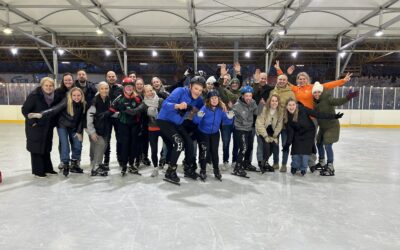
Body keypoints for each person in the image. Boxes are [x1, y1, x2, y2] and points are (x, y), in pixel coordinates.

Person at [28, 87, 86, 177]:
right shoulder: (66, 101)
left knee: (78, 144)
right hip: (62, 126)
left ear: (82, 95)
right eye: (74, 95)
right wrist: (41, 114)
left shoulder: (83, 104)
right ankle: (65, 163)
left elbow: (81, 120)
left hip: (74, 127)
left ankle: (74, 163)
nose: (76, 97)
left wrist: (79, 132)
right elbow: (55, 109)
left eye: (78, 95)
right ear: (71, 96)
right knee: (65, 145)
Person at [157, 76, 205, 184]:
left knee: (189, 142)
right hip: (165, 120)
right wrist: (177, 105)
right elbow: (164, 104)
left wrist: (221, 105)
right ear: (190, 86)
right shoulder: (179, 91)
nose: (198, 92)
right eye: (196, 88)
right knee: (179, 143)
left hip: (178, 123)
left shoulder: (198, 99)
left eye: (200, 90)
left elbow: (205, 106)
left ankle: (188, 168)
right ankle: (170, 171)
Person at [283, 98, 343, 176]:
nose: (291, 107)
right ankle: (295, 166)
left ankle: (303, 168)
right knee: (295, 152)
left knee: (305, 154)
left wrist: (334, 116)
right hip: (297, 133)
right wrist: (287, 145)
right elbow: (290, 133)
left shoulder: (303, 109)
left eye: (293, 105)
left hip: (309, 133)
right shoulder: (287, 117)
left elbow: (317, 114)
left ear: (296, 105)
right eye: (289, 105)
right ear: (286, 106)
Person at [311, 82, 359, 176]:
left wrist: (348, 97)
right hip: (323, 127)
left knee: (328, 145)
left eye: (318, 92)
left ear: (322, 92)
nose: (317, 94)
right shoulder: (314, 102)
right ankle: (322, 162)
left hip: (332, 126)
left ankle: (330, 166)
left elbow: (338, 101)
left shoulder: (328, 99)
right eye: (315, 92)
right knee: (319, 143)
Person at [193, 90, 234, 181]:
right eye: (212, 98)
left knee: (215, 152)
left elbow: (227, 121)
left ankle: (216, 169)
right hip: (203, 133)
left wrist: (230, 113)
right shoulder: (204, 108)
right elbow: (195, 121)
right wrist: (199, 115)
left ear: (218, 99)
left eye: (216, 98)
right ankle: (203, 170)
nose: (214, 100)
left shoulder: (220, 109)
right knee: (204, 151)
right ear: (209, 100)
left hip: (215, 133)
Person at [109, 77, 147, 176]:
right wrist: (102, 115)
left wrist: (134, 111)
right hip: (123, 125)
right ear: (124, 88)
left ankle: (131, 164)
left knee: (133, 145)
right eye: (127, 87)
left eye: (130, 86)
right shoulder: (119, 98)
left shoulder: (138, 97)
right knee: (125, 144)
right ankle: (124, 164)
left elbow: (143, 107)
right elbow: (111, 110)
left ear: (133, 87)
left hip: (135, 125)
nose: (129, 88)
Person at [21, 77, 58, 178]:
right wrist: (33, 122)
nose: (49, 87)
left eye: (51, 85)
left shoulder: (54, 96)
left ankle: (48, 168)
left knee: (46, 147)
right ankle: (38, 171)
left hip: (47, 127)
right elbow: (25, 110)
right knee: (36, 148)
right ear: (42, 86)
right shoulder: (34, 95)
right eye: (46, 85)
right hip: (35, 127)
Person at [268, 74, 296, 172]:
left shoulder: (291, 93)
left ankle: (284, 164)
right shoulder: (272, 92)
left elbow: (293, 108)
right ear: (277, 80)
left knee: (285, 144)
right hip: (274, 124)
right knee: (275, 144)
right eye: (280, 79)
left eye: (284, 80)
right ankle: (276, 163)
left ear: (287, 81)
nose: (282, 81)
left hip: (285, 124)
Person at [86, 81, 112, 176]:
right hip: (95, 129)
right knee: (100, 144)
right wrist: (92, 132)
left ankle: (98, 164)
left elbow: (109, 112)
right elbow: (89, 118)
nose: (104, 90)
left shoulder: (108, 99)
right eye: (102, 88)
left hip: (105, 128)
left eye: (106, 88)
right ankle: (95, 167)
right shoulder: (94, 101)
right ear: (98, 89)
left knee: (103, 147)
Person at [232, 85, 258, 177]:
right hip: (240, 129)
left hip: (249, 128)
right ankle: (237, 168)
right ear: (242, 95)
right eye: (246, 96)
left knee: (250, 147)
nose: (248, 98)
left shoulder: (253, 102)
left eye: (250, 96)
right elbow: (230, 115)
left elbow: (256, 112)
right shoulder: (237, 106)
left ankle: (246, 163)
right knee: (243, 148)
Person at [255, 94, 284, 173]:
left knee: (274, 145)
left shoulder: (280, 111)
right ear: (269, 102)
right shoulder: (264, 109)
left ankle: (265, 161)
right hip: (262, 130)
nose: (274, 103)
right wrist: (265, 136)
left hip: (272, 131)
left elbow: (279, 124)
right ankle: (262, 163)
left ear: (278, 102)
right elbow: (259, 123)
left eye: (276, 101)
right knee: (265, 145)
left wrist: (274, 136)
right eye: (272, 101)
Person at [142, 85, 164, 177]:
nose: (150, 92)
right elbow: (142, 117)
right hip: (152, 129)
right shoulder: (144, 104)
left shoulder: (160, 100)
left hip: (162, 128)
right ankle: (155, 167)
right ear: (144, 93)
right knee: (153, 150)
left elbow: (165, 112)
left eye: (151, 90)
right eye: (147, 91)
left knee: (168, 146)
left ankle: (164, 161)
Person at [104, 70, 122, 167]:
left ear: (116, 77)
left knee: (119, 139)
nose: (111, 78)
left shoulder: (121, 88)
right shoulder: (103, 87)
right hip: (107, 118)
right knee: (106, 139)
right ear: (106, 78)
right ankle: (106, 159)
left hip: (117, 118)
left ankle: (119, 157)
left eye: (113, 76)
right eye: (109, 76)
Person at [133, 77, 151, 167]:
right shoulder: (132, 95)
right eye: (137, 84)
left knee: (146, 140)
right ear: (135, 86)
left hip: (146, 121)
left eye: (141, 84)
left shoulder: (146, 94)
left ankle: (145, 156)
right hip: (136, 121)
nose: (139, 85)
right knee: (137, 140)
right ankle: (138, 157)